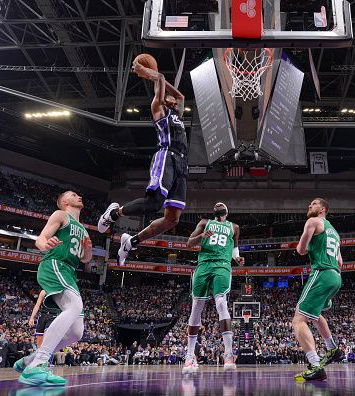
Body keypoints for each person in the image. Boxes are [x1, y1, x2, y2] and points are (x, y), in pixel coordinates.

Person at [98, 61, 187, 265]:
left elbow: (180, 96)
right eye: (168, 95)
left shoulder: (177, 114)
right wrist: (150, 73)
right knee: (154, 203)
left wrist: (160, 78)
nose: (174, 97)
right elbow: (161, 80)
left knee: (172, 219)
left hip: (182, 164)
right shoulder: (159, 109)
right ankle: (113, 213)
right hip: (166, 157)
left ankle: (131, 242)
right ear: (164, 99)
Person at [16, 191, 91, 387]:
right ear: (65, 202)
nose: (79, 196)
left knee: (76, 332)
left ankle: (30, 360)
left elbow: (85, 259)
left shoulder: (83, 228)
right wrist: (45, 245)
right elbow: (40, 239)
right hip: (55, 264)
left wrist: (88, 249)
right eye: (74, 195)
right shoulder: (61, 215)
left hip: (70, 272)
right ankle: (38, 364)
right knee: (74, 306)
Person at [182, 203, 245, 374]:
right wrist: (202, 235)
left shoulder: (234, 227)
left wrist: (237, 258)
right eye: (215, 204)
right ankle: (189, 356)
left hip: (222, 265)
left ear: (227, 211)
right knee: (196, 308)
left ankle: (229, 354)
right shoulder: (204, 222)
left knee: (221, 304)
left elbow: (234, 247)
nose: (217, 203)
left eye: (221, 204)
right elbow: (189, 244)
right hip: (203, 265)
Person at [292, 198, 344, 382]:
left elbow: (301, 249)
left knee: (298, 320)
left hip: (321, 273)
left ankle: (314, 365)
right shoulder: (335, 232)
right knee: (315, 314)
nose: (309, 206)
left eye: (313, 204)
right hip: (336, 277)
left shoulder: (313, 221)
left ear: (322, 209)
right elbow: (340, 262)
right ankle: (332, 348)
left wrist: (306, 245)